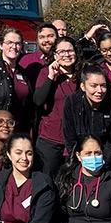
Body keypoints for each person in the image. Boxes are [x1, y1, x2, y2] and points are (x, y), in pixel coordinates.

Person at [62, 65, 111, 174]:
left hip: (106, 162)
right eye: (94, 86)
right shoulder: (72, 102)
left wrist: (102, 165)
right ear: (83, 86)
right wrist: (79, 162)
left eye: (103, 86)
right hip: (79, 159)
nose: (99, 90)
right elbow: (70, 137)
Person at [34, 37, 80, 177]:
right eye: (61, 51)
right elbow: (38, 100)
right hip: (50, 139)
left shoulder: (82, 75)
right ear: (55, 55)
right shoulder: (45, 73)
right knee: (47, 179)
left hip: (75, 139)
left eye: (70, 51)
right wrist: (50, 77)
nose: (66, 55)